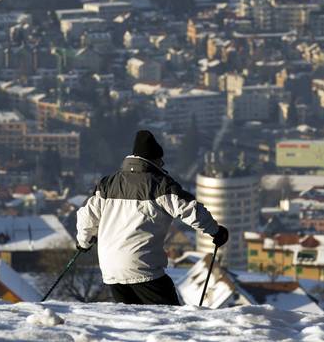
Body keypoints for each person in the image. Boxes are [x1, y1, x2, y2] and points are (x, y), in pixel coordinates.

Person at [76, 130, 229, 305]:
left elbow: (86, 216)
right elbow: (190, 209)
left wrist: (84, 242)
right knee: (170, 320)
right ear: (154, 159)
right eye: (160, 160)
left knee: (134, 322)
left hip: (110, 269)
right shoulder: (160, 185)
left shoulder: (107, 184)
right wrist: (215, 231)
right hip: (142, 267)